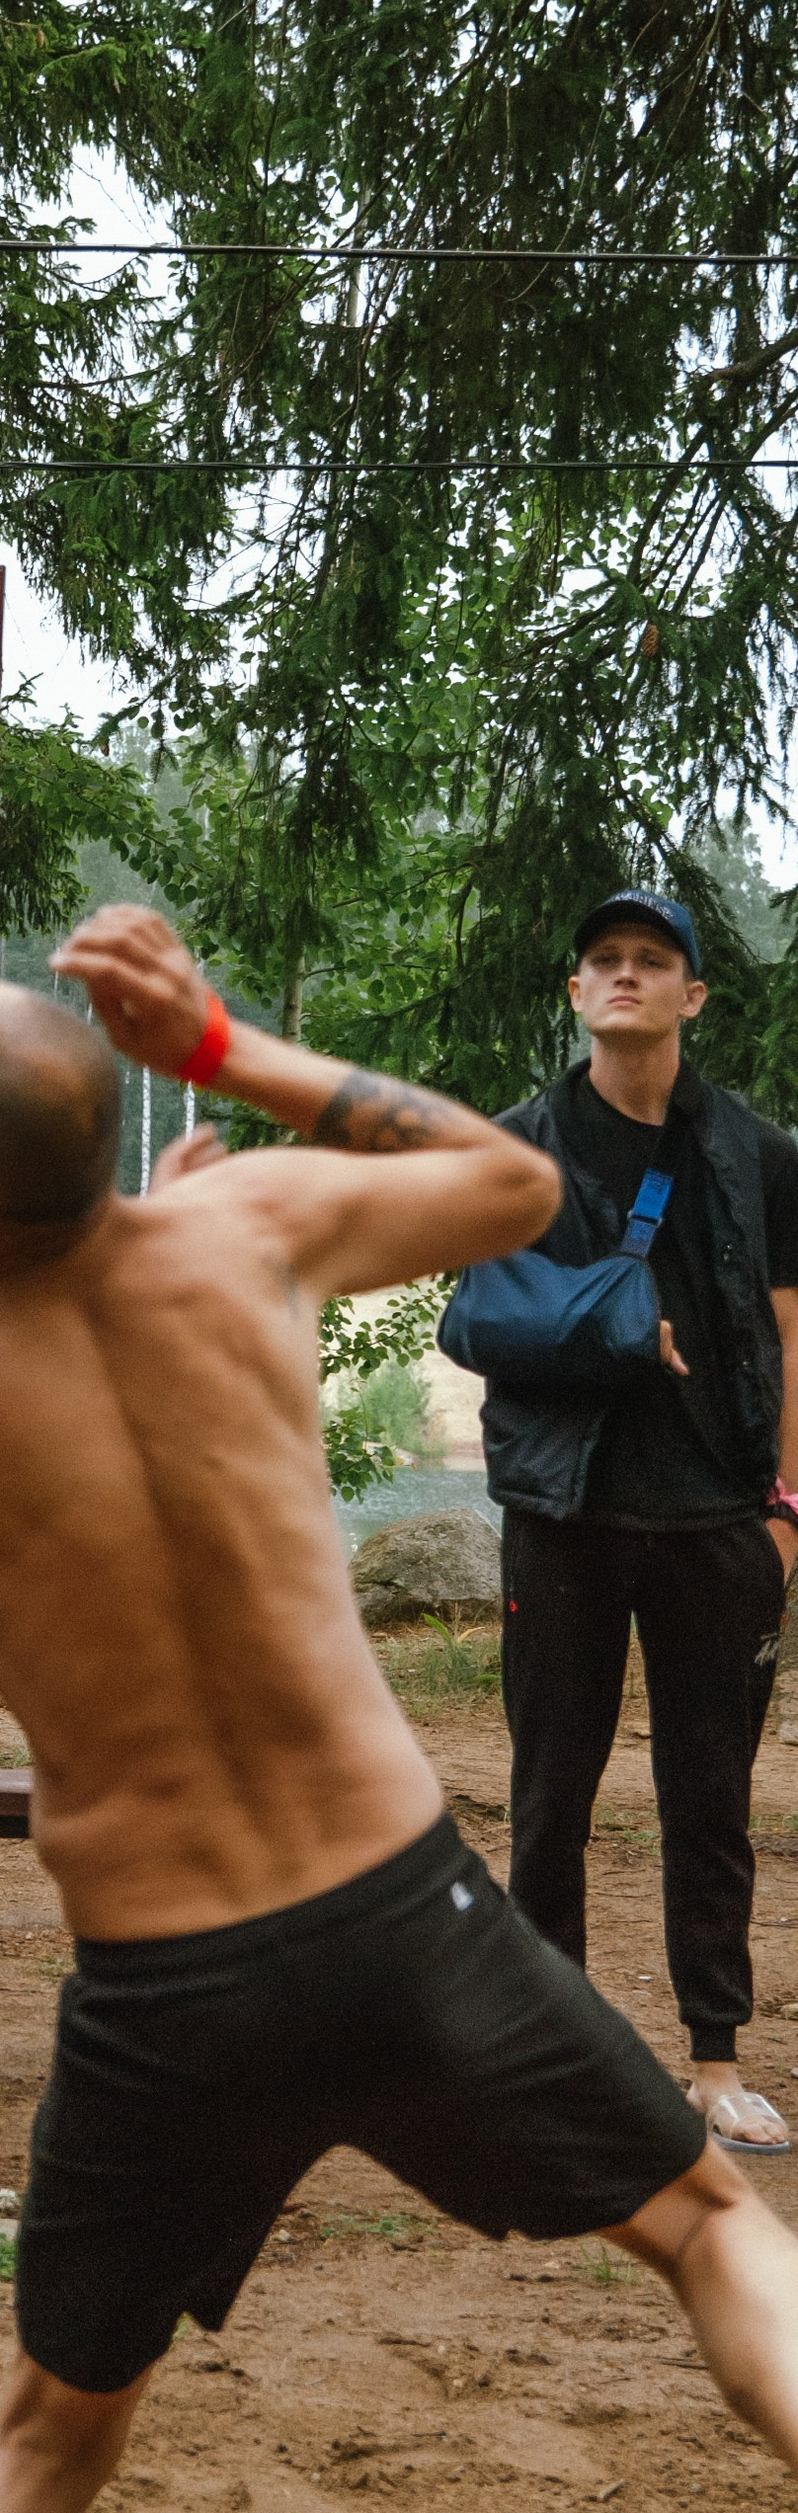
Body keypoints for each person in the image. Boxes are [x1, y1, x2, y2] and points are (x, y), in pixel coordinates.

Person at [0, 908, 798, 2513]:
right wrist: (227, 1058)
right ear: (128, 1122)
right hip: (390, 1908)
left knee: (38, 2447)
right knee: (704, 2227)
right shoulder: (233, 1229)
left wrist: (99, 1224)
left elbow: (9, 1454)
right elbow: (513, 1182)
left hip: (162, 1979)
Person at [482, 888, 798, 2151]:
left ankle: (714, 2060)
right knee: (549, 1791)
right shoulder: (518, 1146)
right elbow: (484, 1310)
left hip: (717, 1511)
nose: (624, 975)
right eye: (602, 959)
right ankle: (548, 2055)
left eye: (650, 961)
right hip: (562, 1507)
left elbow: (788, 1328)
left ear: (691, 994)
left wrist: (785, 1505)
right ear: (574, 991)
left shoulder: (759, 1151)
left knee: (708, 1796)